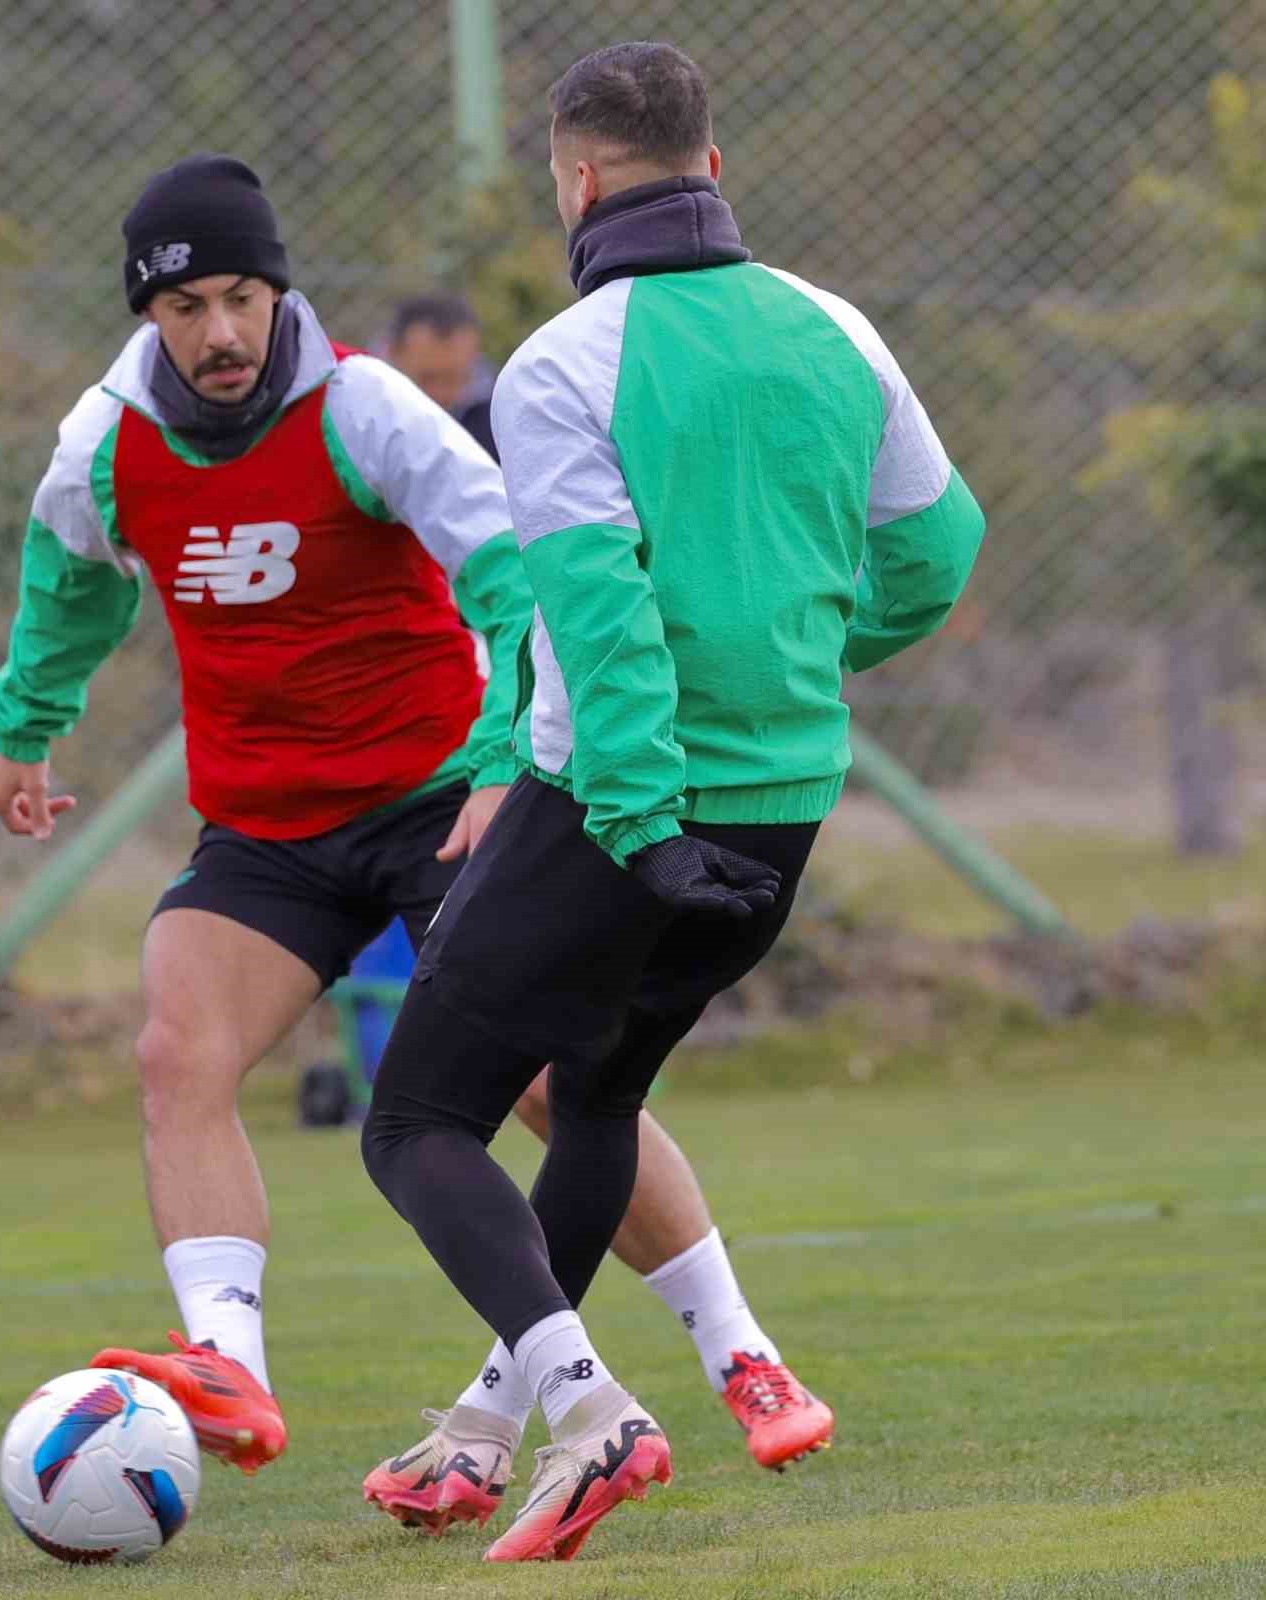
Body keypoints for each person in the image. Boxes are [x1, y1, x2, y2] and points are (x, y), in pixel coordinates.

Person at [0, 153, 833, 1490]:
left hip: (440, 800)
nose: (217, 331)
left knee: (560, 1086)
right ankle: (231, 1372)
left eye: (242, 298)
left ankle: (741, 1354)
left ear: (280, 294)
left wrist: (500, 761)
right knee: (174, 1050)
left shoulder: (364, 407)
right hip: (265, 831)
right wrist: (26, 723)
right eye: (186, 305)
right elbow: (71, 580)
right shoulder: (104, 443)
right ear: (146, 316)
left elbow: (516, 572)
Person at [360, 40, 986, 1563]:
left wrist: (636, 820)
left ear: (574, 180)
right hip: (782, 808)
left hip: (623, 814)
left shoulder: (570, 363)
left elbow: (599, 612)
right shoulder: (840, 331)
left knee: (421, 1121)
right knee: (598, 1102)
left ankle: (596, 1420)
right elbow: (937, 554)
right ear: (713, 167)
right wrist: (800, 655)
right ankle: (489, 1435)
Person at [384, 294, 498, 459]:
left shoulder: (500, 414)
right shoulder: (362, 412)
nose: (441, 394)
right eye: (427, 379)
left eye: (455, 380)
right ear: (392, 354)